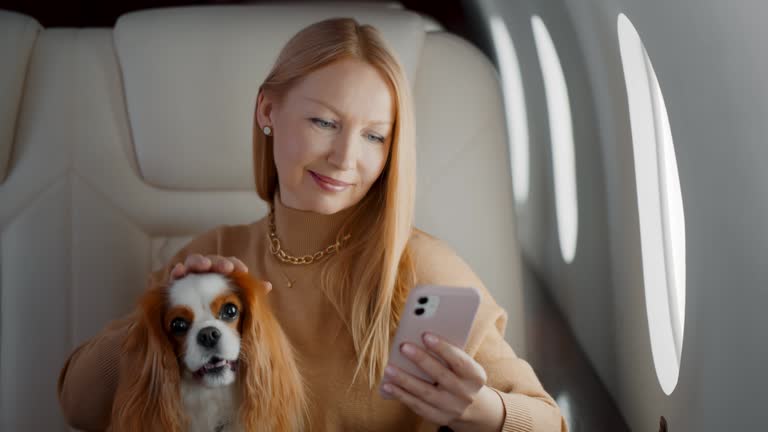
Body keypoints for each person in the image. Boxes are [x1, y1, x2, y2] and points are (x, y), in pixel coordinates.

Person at [57, 17, 567, 432]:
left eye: (374, 137)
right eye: (324, 122)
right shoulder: (214, 258)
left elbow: (549, 421)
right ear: (268, 109)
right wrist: (153, 318)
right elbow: (80, 409)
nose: (346, 157)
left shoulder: (420, 268)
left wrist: (482, 412)